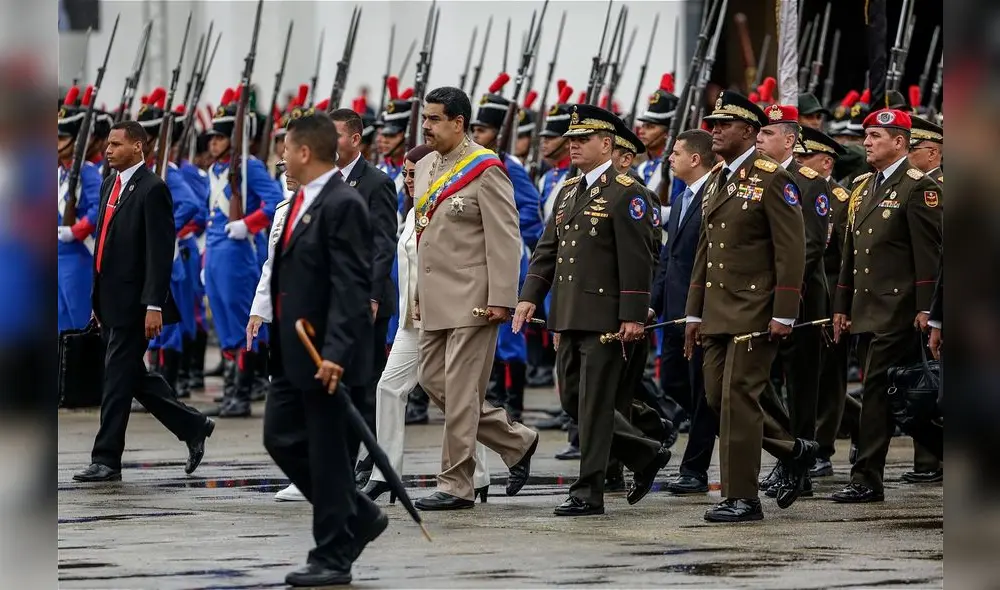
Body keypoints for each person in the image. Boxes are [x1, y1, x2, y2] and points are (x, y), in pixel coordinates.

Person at [514, 104, 670, 516]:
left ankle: (588, 491)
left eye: (583, 139)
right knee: (573, 400)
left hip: (606, 317)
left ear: (606, 144)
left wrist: (633, 314)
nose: (574, 146)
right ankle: (646, 454)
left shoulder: (627, 191)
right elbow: (548, 250)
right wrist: (530, 295)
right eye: (572, 139)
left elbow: (639, 259)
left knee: (595, 406)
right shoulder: (570, 190)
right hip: (569, 312)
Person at [683, 91, 817, 523]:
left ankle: (742, 497)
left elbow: (791, 250)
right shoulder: (719, 178)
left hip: (756, 310)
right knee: (716, 397)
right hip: (718, 310)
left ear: (748, 131)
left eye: (724, 125)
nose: (715, 131)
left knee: (738, 399)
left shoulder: (773, 178)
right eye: (713, 124)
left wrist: (784, 311)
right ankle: (793, 450)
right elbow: (706, 251)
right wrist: (694, 312)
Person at [261, 112, 382, 587]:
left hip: (327, 355)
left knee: (329, 456)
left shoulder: (342, 203)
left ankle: (332, 555)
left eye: (286, 149)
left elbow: (352, 285)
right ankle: (360, 513)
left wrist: (336, 352)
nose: (282, 157)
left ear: (305, 152)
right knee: (279, 438)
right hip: (295, 351)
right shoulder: (298, 201)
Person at [411, 86, 539, 511]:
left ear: (458, 122)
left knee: (463, 391)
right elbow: (425, 238)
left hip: (474, 298)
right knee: (433, 380)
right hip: (435, 297)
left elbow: (505, 238)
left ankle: (455, 484)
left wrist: (502, 297)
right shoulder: (425, 165)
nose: (426, 126)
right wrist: (418, 293)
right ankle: (517, 441)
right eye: (425, 118)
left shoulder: (486, 168)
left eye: (434, 119)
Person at [73, 121, 215, 483]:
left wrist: (154, 305)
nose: (108, 150)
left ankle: (106, 459)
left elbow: (159, 252)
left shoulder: (153, 189)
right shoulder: (109, 184)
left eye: (116, 144)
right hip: (108, 300)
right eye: (107, 144)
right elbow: (104, 243)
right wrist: (96, 299)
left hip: (135, 304)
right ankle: (193, 425)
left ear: (138, 147)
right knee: (132, 376)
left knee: (116, 381)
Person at [361, 144, 493, 504]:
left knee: (458, 397)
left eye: (413, 173)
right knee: (389, 388)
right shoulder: (411, 212)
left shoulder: (447, 208)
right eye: (404, 173)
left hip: (448, 315)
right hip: (412, 321)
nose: (407, 179)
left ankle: (479, 474)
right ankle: (385, 472)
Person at [832, 108, 943, 503]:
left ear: (899, 142)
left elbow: (929, 257)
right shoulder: (863, 186)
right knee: (901, 396)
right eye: (866, 136)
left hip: (899, 312)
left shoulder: (918, 187)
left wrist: (928, 310)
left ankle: (866, 478)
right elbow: (851, 253)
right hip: (866, 309)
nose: (866, 143)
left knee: (878, 393)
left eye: (875, 137)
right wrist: (842, 304)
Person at [314, 108, 398, 486]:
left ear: (354, 139)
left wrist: (372, 295)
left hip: (365, 300)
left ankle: (367, 459)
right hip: (330, 299)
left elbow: (382, 244)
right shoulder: (322, 180)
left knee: (363, 385)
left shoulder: (376, 182)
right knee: (337, 383)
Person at [754, 104, 829, 500]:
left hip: (800, 300)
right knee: (764, 385)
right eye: (759, 132)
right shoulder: (756, 178)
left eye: (767, 133)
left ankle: (801, 469)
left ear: (789, 141)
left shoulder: (810, 183)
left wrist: (779, 289)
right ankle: (787, 454)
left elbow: (811, 246)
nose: (759, 139)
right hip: (759, 299)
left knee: (801, 388)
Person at [202, 87, 283, 418]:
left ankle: (242, 393)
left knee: (239, 324)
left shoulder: (249, 167)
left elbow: (276, 201)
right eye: (212, 138)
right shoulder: (214, 171)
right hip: (215, 253)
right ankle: (231, 389)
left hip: (238, 254)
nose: (214, 143)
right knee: (223, 324)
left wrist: (248, 225)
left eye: (220, 138)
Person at [469, 75, 545, 423]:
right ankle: (494, 393)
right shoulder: (474, 164)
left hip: (509, 258)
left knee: (510, 336)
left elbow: (529, 210)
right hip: (479, 260)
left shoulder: (510, 167)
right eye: (474, 129)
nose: (476, 135)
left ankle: (514, 401)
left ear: (499, 134)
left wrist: (501, 233)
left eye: (482, 130)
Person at [794, 125, 861, 478]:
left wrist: (841, 306)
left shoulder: (841, 200)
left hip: (831, 296)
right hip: (798, 296)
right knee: (804, 378)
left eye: (806, 157)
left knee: (829, 377)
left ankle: (821, 447)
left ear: (826, 163)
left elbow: (847, 259)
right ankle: (859, 421)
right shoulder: (791, 190)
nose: (799, 161)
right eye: (797, 156)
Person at [653, 129, 717, 495]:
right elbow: (669, 258)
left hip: (702, 310)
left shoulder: (715, 195)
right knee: (672, 382)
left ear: (695, 159)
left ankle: (695, 470)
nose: (670, 158)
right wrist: (654, 303)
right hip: (674, 311)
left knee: (702, 392)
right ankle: (715, 424)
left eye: (676, 153)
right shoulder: (681, 199)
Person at [57, 87, 102, 333]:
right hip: (56, 257)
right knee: (60, 324)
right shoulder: (58, 172)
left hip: (79, 256)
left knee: (81, 323)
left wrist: (76, 230)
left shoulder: (88, 173)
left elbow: (99, 208)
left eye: (62, 138)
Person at [636, 74, 681, 214]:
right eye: (643, 126)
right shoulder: (642, 168)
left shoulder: (677, 169)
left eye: (650, 127)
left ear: (667, 133)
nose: (641, 131)